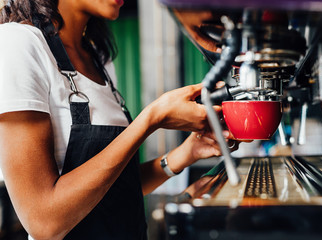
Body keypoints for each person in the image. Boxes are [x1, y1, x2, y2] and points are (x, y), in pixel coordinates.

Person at [0, 0, 239, 239]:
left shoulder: (98, 57)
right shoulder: (18, 44)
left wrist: (185, 154)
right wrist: (150, 119)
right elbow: (43, 221)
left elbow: (110, 188)